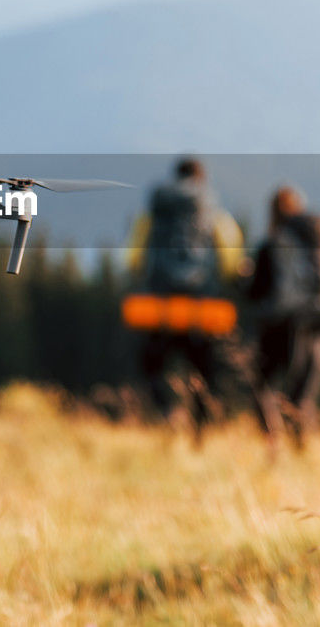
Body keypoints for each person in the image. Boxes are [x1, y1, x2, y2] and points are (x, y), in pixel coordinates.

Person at [125, 157, 244, 433]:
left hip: (161, 304)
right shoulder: (213, 211)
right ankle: (200, 428)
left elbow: (132, 258)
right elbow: (231, 257)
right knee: (204, 370)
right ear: (202, 178)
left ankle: (167, 412)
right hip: (202, 304)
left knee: (152, 365)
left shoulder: (154, 211)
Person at [246, 186, 320, 451]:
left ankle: (273, 441)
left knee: (262, 383)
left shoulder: (274, 244)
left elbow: (256, 290)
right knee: (302, 392)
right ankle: (301, 445)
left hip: (285, 322)